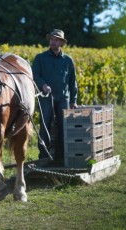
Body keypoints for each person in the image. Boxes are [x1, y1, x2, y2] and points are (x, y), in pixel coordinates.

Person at [32, 29, 78, 164]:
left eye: (56, 39)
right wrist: (43, 85)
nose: (53, 41)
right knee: (45, 126)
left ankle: (61, 157)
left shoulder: (68, 60)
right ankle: (44, 156)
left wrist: (74, 100)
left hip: (64, 99)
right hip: (46, 98)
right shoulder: (40, 58)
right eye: (52, 39)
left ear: (61, 43)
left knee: (63, 128)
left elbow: (72, 81)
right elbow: (35, 75)